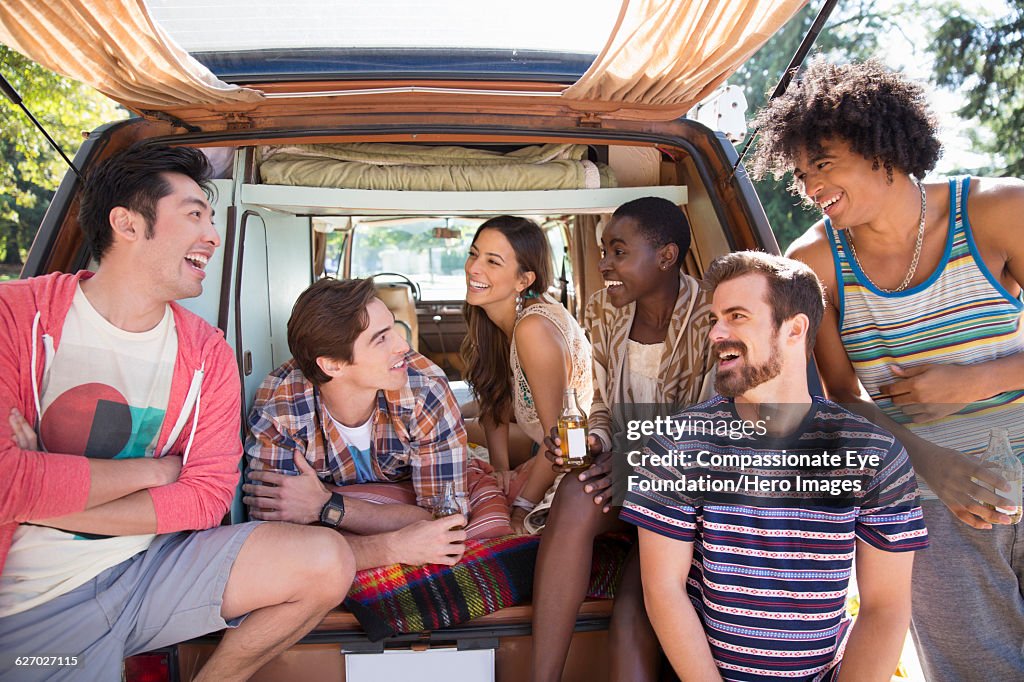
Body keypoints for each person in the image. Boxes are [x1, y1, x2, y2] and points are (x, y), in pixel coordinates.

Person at [0, 145, 354, 681]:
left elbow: (206, 499)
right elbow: (5, 481)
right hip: (34, 599)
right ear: (126, 223)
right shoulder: (15, 316)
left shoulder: (206, 352)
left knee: (328, 562)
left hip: (150, 570)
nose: (213, 236)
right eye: (195, 215)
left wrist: (41, 498)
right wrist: (156, 471)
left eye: (211, 218)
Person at [751, 58, 1024, 679]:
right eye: (800, 174)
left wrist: (975, 381)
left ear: (881, 147)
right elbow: (843, 395)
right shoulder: (813, 260)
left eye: (823, 163)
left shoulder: (999, 210)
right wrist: (931, 464)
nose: (811, 185)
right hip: (935, 501)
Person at [625, 251, 928, 681]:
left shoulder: (876, 455)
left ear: (794, 329)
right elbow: (663, 591)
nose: (716, 333)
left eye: (736, 316)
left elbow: (885, 607)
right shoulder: (676, 444)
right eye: (714, 319)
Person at [531, 197, 715, 681]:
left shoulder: (712, 319)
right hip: (627, 475)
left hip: (685, 495)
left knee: (633, 617)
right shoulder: (602, 311)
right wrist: (594, 443)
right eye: (602, 251)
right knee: (574, 492)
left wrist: (639, 465)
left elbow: (715, 427)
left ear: (666, 257)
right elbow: (595, 400)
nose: (604, 264)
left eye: (618, 251)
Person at [245, 277, 478, 569]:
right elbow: (273, 542)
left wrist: (326, 505)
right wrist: (390, 548)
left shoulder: (424, 391)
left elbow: (446, 523)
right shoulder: (281, 409)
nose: (403, 346)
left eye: (393, 328)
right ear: (332, 365)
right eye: (381, 338)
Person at [461, 215, 593, 534]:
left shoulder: (533, 328)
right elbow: (493, 398)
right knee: (456, 419)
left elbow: (562, 440)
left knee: (456, 430)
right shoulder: (494, 321)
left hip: (573, 451)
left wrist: (521, 507)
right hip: (543, 442)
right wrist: (499, 470)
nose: (474, 268)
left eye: (493, 261)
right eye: (474, 254)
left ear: (524, 280)